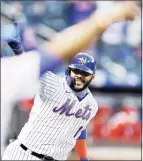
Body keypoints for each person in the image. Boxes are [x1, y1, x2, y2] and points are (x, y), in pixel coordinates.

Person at [1, 1, 139, 159]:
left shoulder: (91, 105)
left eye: (84, 73)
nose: (79, 76)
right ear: (68, 71)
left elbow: (79, 132)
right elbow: (38, 63)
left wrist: (83, 156)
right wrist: (18, 50)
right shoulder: (52, 84)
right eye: (75, 71)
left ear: (92, 77)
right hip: (25, 154)